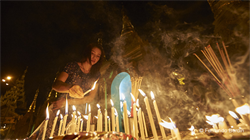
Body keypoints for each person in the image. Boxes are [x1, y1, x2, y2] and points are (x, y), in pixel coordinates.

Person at [37, 43, 104, 139]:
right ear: (87, 52)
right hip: (60, 109)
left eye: (98, 56)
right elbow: (56, 85)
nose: (94, 58)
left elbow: (90, 98)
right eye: (92, 53)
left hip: (78, 112)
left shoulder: (96, 75)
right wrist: (70, 88)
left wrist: (67, 102)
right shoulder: (72, 66)